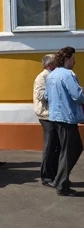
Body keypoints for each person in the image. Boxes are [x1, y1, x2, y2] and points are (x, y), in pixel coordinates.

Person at [45, 47, 84, 196]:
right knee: (70, 151)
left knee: (69, 150)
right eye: (73, 58)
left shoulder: (52, 75)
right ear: (67, 59)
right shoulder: (68, 75)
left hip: (55, 117)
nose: (75, 61)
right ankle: (61, 185)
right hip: (67, 118)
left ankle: (60, 179)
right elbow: (77, 96)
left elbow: (47, 96)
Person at [33, 54, 59, 187]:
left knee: (55, 146)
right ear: (50, 64)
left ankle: (54, 174)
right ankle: (46, 176)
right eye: (55, 61)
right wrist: (54, 90)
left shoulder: (53, 75)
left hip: (53, 115)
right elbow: (40, 95)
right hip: (45, 115)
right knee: (49, 146)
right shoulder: (42, 76)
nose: (58, 63)